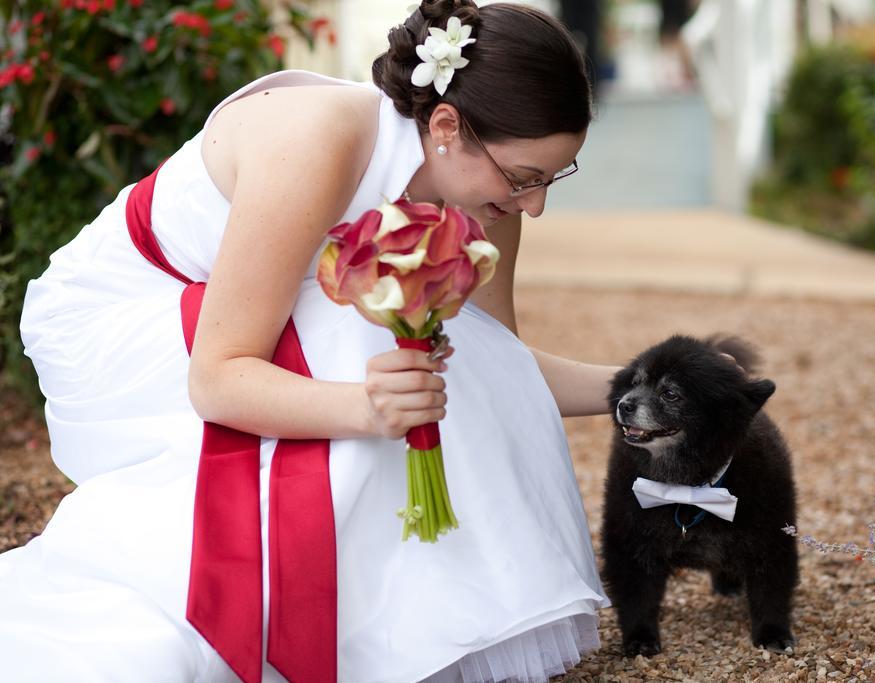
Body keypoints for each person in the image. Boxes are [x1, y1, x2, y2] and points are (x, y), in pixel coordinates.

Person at [0, 1, 618, 681]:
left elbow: (494, 373)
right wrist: (368, 408)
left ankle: (409, 622)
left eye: (554, 178)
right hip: (120, 326)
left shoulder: (487, 196)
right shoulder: (319, 143)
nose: (535, 204)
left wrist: (639, 389)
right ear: (446, 126)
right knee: (358, 324)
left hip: (241, 330)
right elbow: (219, 376)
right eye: (527, 178)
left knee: (376, 331)